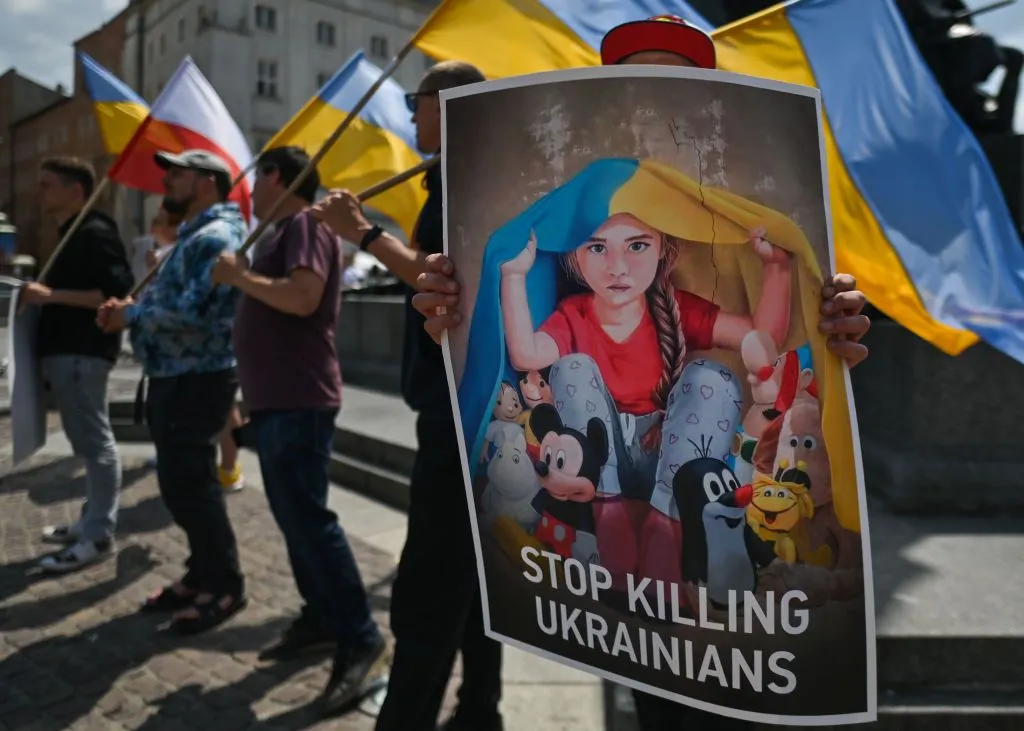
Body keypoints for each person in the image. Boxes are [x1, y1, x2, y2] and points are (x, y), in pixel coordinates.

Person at [407, 16, 872, 731]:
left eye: (637, 246)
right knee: (579, 371)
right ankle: (616, 519)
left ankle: (662, 528)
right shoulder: (579, 223)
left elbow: (767, 335)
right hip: (600, 467)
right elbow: (521, 346)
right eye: (601, 248)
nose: (618, 263)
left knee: (712, 383)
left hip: (677, 467)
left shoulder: (713, 253)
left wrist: (801, 287)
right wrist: (471, 297)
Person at [312, 61, 503, 731]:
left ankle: (408, 717)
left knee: (428, 589)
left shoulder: (462, 173)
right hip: (469, 406)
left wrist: (360, 231)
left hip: (454, 414)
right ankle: (480, 708)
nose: (410, 115)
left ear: (443, 105)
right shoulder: (464, 172)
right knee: (479, 585)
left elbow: (442, 277)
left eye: (414, 103)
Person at [211, 145, 388, 713]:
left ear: (274, 176)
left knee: (309, 521)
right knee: (295, 520)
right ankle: (321, 616)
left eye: (253, 176)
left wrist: (240, 277)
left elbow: (303, 296)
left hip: (299, 399)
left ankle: (361, 637)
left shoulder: (305, 223)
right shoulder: (282, 231)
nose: (247, 188)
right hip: (276, 400)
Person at [97, 149, 247, 635]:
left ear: (205, 182)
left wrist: (130, 316)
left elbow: (196, 313)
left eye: (176, 174)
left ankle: (224, 585)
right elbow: (173, 299)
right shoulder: (195, 236)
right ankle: (201, 574)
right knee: (181, 486)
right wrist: (132, 307)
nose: (167, 182)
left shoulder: (217, 235)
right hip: (177, 376)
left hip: (196, 377)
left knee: (193, 488)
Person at [19, 156, 134, 573]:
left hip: (84, 353)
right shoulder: (71, 232)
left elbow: (116, 294)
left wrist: (49, 296)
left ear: (75, 191)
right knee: (86, 442)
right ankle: (91, 519)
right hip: (68, 354)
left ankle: (99, 534)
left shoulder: (95, 231)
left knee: (96, 443)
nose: (40, 192)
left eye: (48, 185)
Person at [136, 205, 246, 493]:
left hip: (204, 359)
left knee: (226, 412)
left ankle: (230, 467)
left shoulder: (201, 245)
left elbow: (190, 308)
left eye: (158, 221)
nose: (153, 227)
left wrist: (134, 315)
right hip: (178, 359)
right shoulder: (175, 252)